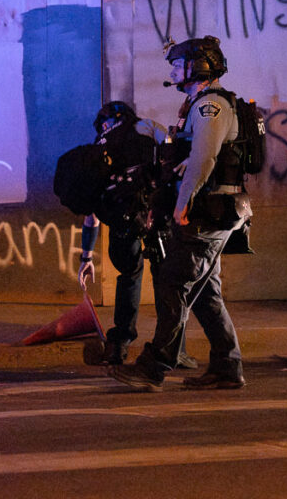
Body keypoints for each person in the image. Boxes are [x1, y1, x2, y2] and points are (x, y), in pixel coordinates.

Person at [109, 36, 250, 391]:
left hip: (206, 213)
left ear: (198, 66)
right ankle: (227, 365)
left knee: (174, 283)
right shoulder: (201, 105)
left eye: (178, 64)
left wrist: (181, 203)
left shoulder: (210, 107)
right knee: (205, 292)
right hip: (215, 212)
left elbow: (203, 159)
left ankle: (154, 366)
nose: (173, 70)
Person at [76, 101, 197, 369]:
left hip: (122, 220)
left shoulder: (101, 146)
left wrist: (86, 255)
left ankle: (118, 346)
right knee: (166, 283)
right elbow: (171, 154)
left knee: (129, 276)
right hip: (156, 213)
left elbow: (92, 211)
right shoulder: (147, 127)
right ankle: (176, 350)